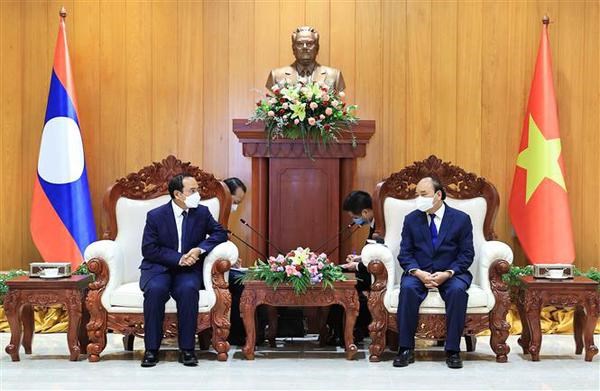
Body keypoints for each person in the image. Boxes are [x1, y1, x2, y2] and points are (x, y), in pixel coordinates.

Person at [140, 174, 228, 367]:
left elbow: (221, 233)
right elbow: (149, 249)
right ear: (178, 194)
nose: (198, 194)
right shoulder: (156, 216)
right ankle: (151, 350)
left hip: (188, 271)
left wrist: (199, 249)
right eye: (193, 191)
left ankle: (187, 350)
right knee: (155, 290)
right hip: (159, 268)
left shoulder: (201, 213)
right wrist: (178, 258)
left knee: (188, 290)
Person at [394, 177, 474, 369]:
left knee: (457, 292)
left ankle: (453, 350)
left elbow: (467, 254)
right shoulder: (411, 219)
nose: (418, 199)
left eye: (423, 195)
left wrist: (448, 273)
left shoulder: (461, 219)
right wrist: (418, 272)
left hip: (451, 273)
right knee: (407, 289)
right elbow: (405, 253)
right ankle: (405, 348)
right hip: (419, 273)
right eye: (417, 195)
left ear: (438, 195)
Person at [327, 190, 376, 345]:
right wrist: (359, 258)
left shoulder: (381, 227)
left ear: (365, 212)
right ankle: (338, 330)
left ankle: (342, 333)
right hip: (369, 269)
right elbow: (375, 253)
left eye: (355, 218)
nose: (355, 221)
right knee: (337, 275)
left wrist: (357, 265)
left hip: (377, 275)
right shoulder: (373, 224)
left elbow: (384, 256)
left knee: (339, 283)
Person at [266, 26, 345, 92]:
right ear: (293, 48)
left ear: (317, 48)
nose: (305, 47)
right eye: (300, 44)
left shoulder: (334, 76)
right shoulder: (276, 76)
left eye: (309, 43)